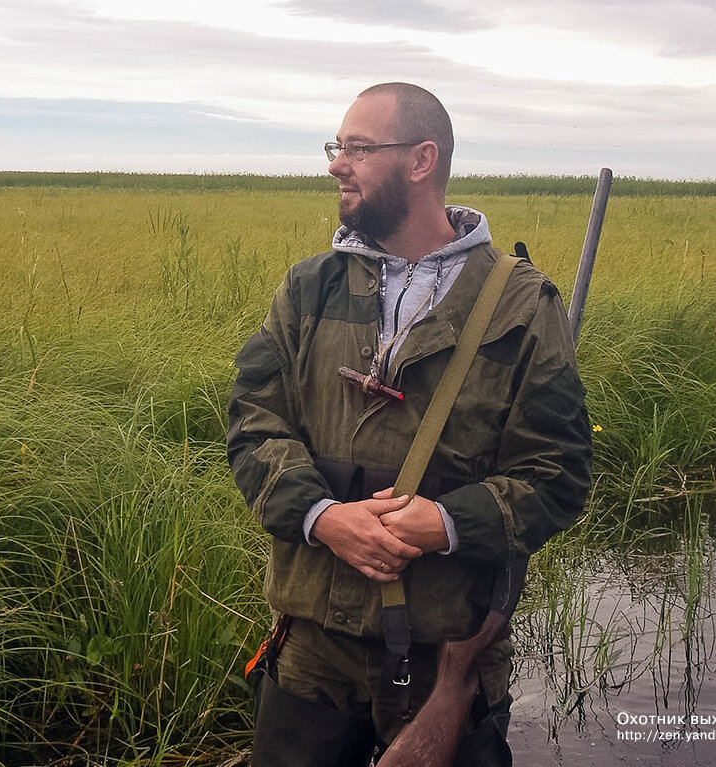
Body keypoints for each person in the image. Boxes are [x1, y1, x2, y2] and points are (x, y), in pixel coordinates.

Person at [227, 82, 592, 766]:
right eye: (339, 147)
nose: (338, 163)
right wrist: (322, 515)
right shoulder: (309, 289)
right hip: (310, 648)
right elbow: (253, 424)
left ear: (422, 159)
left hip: (444, 652)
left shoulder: (519, 304)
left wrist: (446, 523)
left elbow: (559, 473)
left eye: (359, 148)